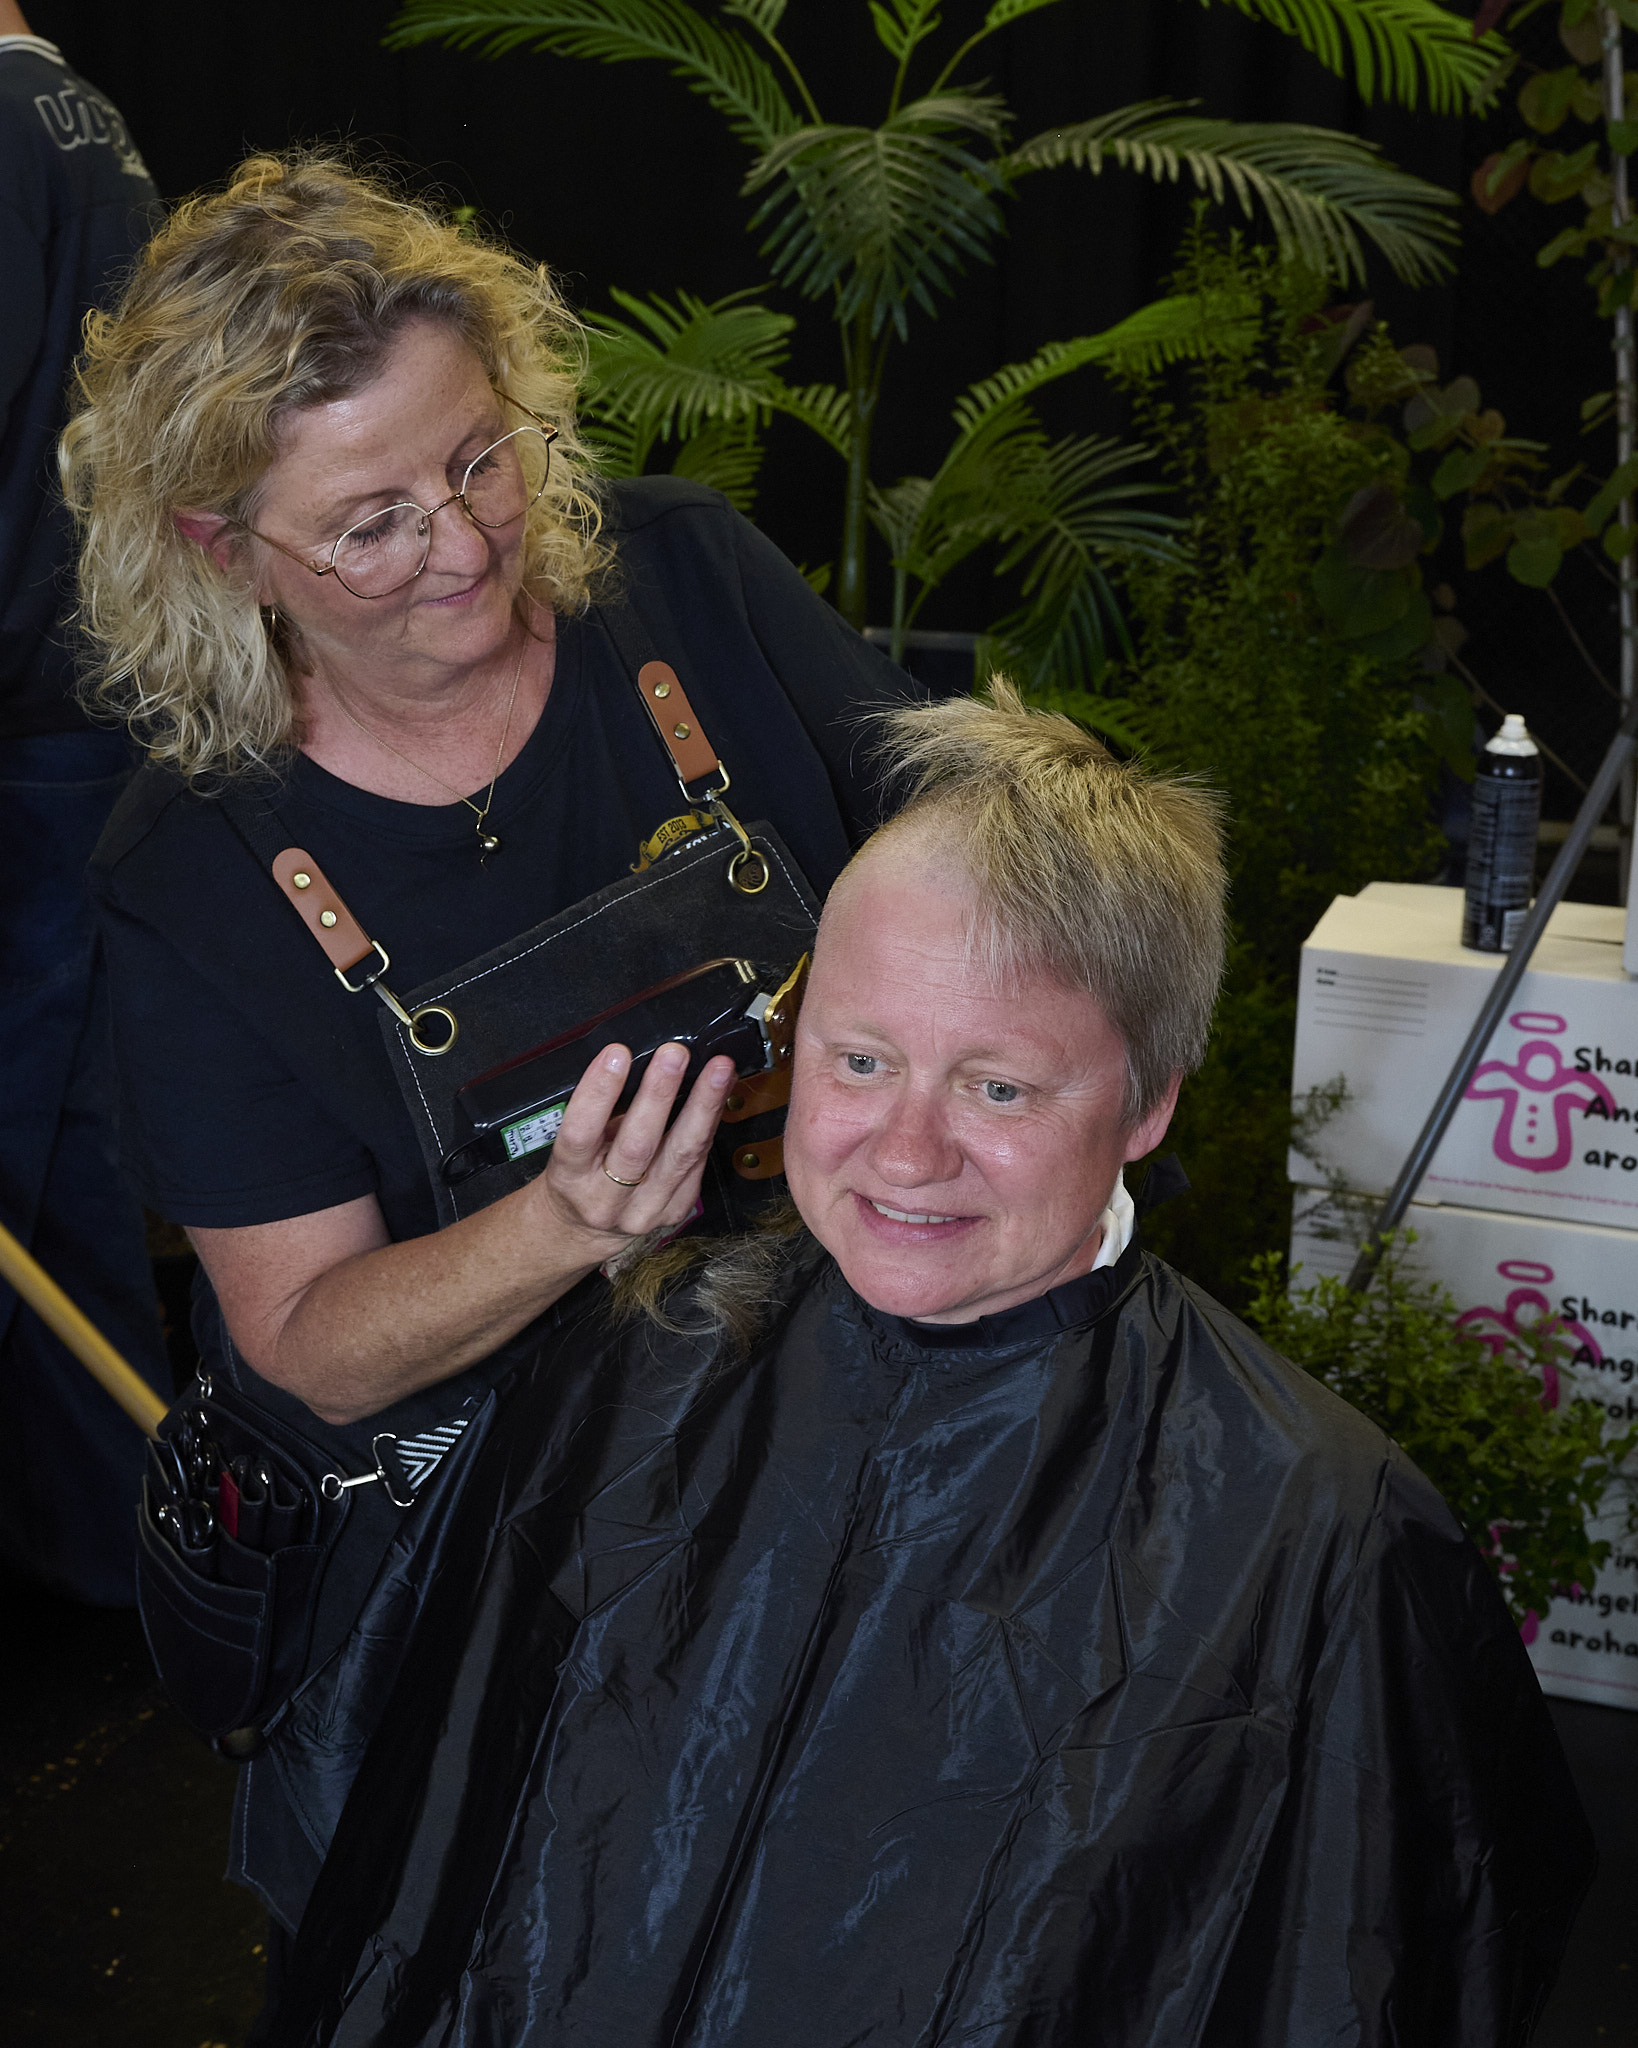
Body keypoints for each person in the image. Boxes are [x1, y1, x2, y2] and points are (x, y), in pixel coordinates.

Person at [270, 685, 1591, 2048]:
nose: (903, 1156)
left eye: (997, 1087)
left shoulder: (1316, 1532)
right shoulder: (631, 1364)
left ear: (1147, 1104)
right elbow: (421, 1890)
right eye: (860, 1061)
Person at [66, 150, 914, 1954]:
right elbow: (307, 1347)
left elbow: (964, 871)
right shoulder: (197, 871)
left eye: (475, 460)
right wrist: (565, 1226)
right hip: (511, 1568)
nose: (458, 546)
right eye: (367, 523)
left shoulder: (686, 588)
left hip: (873, 1428)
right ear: (224, 553)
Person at [0, 5, 167, 1606]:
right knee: (59, 1142)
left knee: (38, 1140)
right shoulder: (76, 120)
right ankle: (125, 1545)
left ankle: (132, 1547)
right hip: (84, 703)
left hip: (28, 725)